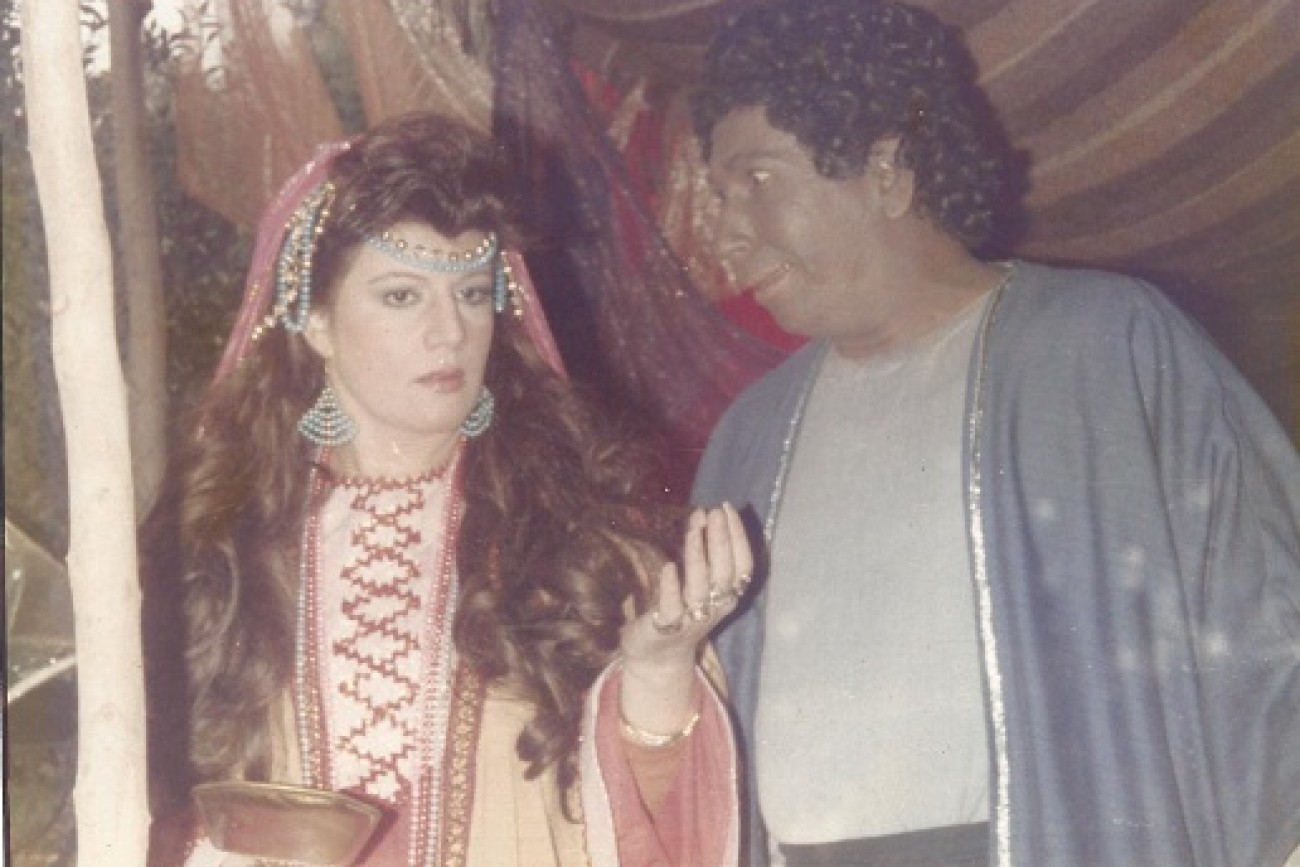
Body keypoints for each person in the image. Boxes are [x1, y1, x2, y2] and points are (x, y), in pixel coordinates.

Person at [687, 2, 1300, 866]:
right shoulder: (747, 437)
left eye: (756, 179)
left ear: (886, 172)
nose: (724, 231)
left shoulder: (1100, 345)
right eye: (719, 196)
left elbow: (1272, 639)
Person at [142, 111, 754, 867]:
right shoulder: (223, 554)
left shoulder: (587, 555)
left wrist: (659, 672)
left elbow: (662, 830)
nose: (450, 333)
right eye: (402, 296)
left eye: (469, 294)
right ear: (317, 322)